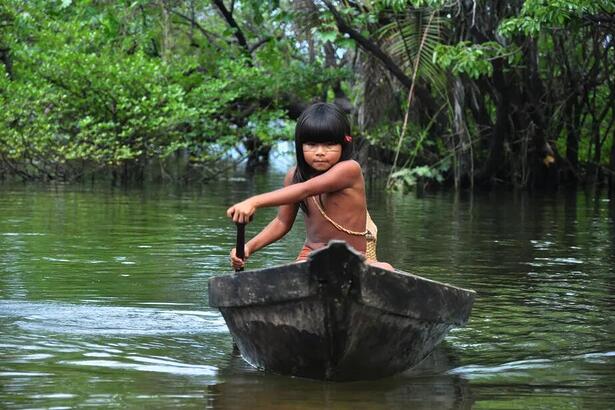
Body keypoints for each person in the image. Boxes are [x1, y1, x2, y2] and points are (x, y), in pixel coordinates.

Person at [227, 102, 393, 271]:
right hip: (311, 256)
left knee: (386, 269)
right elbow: (281, 222)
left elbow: (305, 189)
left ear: (343, 145)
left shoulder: (349, 169)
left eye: (329, 144)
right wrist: (249, 247)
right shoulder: (294, 176)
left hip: (353, 258)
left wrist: (254, 201)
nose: (320, 152)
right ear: (300, 146)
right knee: (294, 271)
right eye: (311, 145)